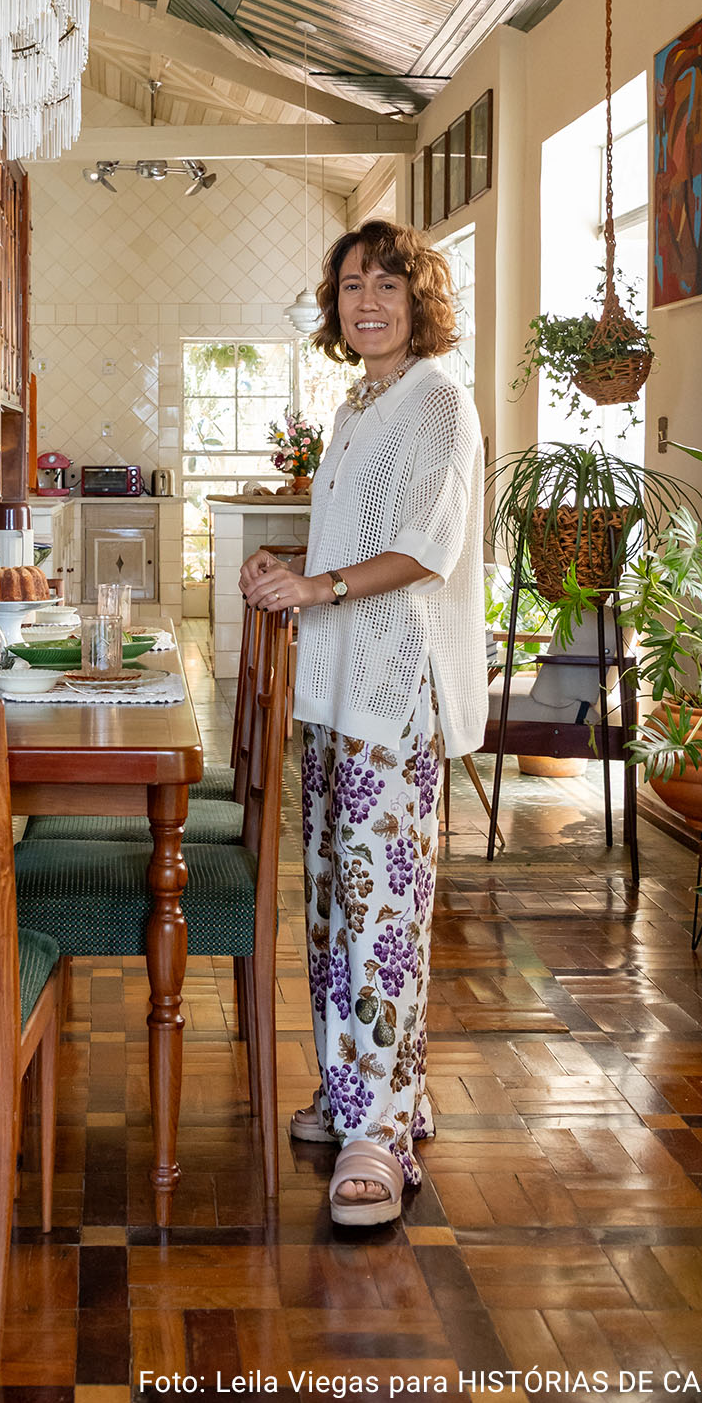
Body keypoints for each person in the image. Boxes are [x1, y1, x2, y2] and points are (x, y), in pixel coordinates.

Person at [240, 221, 486, 1227]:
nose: (367, 300)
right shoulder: (358, 402)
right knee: (337, 912)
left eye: (388, 282)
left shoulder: (437, 396)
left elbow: (426, 547)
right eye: (351, 285)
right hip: (336, 689)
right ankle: (367, 1094)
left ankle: (379, 1141)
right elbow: (355, 536)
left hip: (393, 691)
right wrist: (289, 568)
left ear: (418, 296)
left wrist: (319, 583)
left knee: (383, 919)